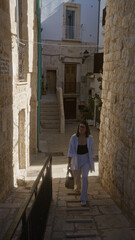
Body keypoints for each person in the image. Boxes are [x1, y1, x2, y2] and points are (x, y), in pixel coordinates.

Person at [67, 120, 95, 206]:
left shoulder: (90, 138)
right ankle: (77, 188)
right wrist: (69, 163)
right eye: (79, 127)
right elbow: (71, 151)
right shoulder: (74, 138)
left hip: (86, 159)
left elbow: (91, 151)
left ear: (86, 129)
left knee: (85, 178)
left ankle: (84, 199)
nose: (80, 128)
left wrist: (92, 161)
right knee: (77, 178)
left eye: (82, 127)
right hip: (77, 159)